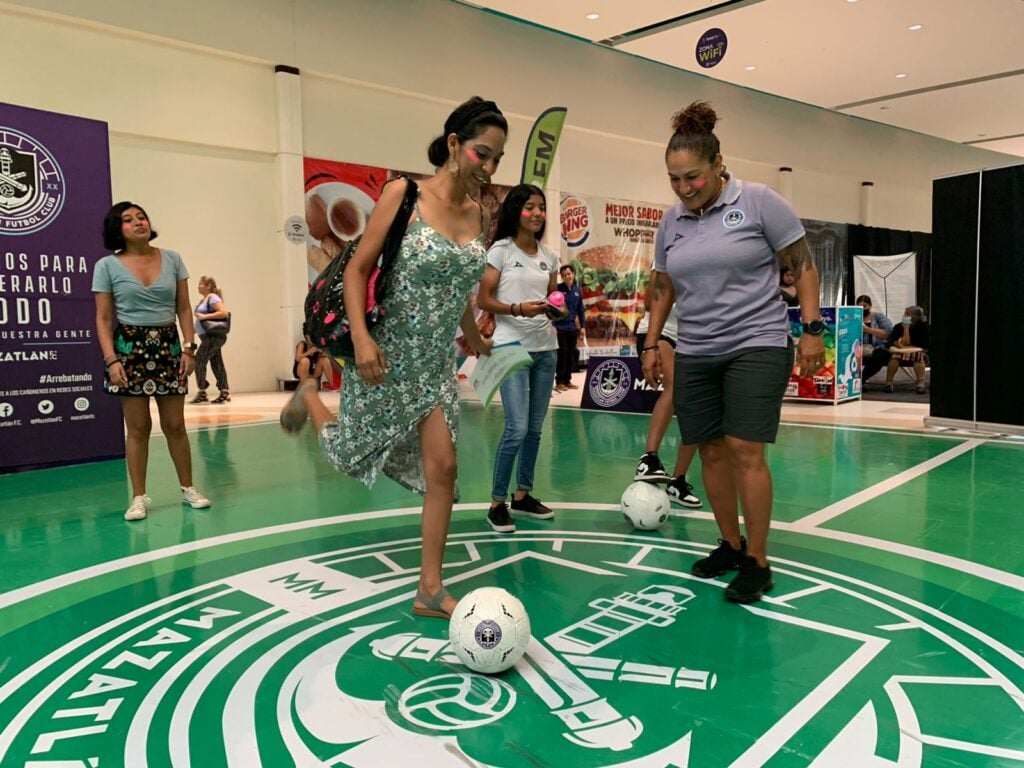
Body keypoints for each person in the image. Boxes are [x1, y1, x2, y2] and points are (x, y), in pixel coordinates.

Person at [278, 97, 504, 619]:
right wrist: (360, 340)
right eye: (481, 154)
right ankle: (310, 395)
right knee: (347, 452)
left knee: (443, 468)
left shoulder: (481, 214)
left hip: (435, 366)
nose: (489, 168)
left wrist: (474, 336)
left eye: (496, 159)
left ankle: (429, 587)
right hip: (383, 356)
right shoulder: (405, 195)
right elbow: (357, 269)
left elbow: (462, 285)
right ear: (453, 145)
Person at [642, 101, 824, 604]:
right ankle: (729, 543)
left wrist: (812, 329)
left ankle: (758, 562)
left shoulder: (762, 202)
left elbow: (803, 266)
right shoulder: (672, 222)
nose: (683, 188)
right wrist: (652, 341)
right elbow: (663, 287)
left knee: (745, 449)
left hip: (757, 342)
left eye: (693, 177)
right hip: (698, 347)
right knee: (710, 450)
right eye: (674, 179)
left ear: (718, 164)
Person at [93, 202, 211, 521]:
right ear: (118, 230)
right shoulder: (106, 266)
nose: (137, 222)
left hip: (169, 346)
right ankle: (139, 497)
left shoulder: (172, 258)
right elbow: (103, 319)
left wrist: (189, 348)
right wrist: (111, 359)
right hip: (129, 347)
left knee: (175, 424)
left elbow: (184, 308)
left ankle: (188, 488)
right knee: (138, 427)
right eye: (127, 220)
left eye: (141, 217)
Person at [478, 183, 567, 534]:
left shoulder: (550, 255)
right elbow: (484, 299)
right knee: (515, 428)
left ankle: (523, 494)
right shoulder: (499, 251)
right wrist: (516, 308)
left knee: (534, 429)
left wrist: (556, 309)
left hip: (547, 348)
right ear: (516, 210)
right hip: (510, 347)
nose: (536, 213)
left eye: (541, 207)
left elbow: (552, 297)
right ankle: (497, 502)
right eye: (529, 207)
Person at [633, 267, 702, 508]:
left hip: (692, 340)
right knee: (675, 388)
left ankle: (678, 481)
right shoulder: (670, 252)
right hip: (658, 334)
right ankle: (649, 459)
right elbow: (650, 302)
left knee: (697, 407)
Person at [191, 275, 231, 404]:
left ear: (208, 286)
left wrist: (204, 316)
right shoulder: (205, 299)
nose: (198, 286)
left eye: (200, 284)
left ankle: (202, 390)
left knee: (199, 360)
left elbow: (224, 312)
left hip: (213, 336)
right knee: (216, 362)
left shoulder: (213, 297)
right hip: (208, 337)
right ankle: (224, 390)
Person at [553, 264, 586, 392]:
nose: (567, 276)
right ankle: (559, 381)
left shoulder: (577, 290)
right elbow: (552, 309)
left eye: (569, 274)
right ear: (561, 277)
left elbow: (580, 310)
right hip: (560, 327)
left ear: (573, 274)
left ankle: (567, 380)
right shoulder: (558, 290)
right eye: (564, 275)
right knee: (562, 354)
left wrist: (582, 326)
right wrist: (553, 325)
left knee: (571, 354)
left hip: (572, 327)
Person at [885, 305, 930, 394]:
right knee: (895, 356)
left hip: (918, 352)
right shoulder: (898, 326)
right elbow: (896, 342)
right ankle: (889, 383)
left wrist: (904, 346)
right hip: (901, 352)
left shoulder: (923, 327)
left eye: (908, 314)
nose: (905, 316)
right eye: (905, 313)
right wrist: (906, 329)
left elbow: (923, 345)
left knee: (919, 356)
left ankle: (920, 384)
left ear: (915, 316)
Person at [855, 294, 893, 382]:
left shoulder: (878, 317)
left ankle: (861, 380)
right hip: (859, 347)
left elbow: (887, 332)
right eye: (859, 306)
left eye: (864, 306)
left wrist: (868, 330)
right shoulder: (854, 317)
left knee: (878, 357)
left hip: (878, 347)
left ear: (870, 306)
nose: (862, 309)